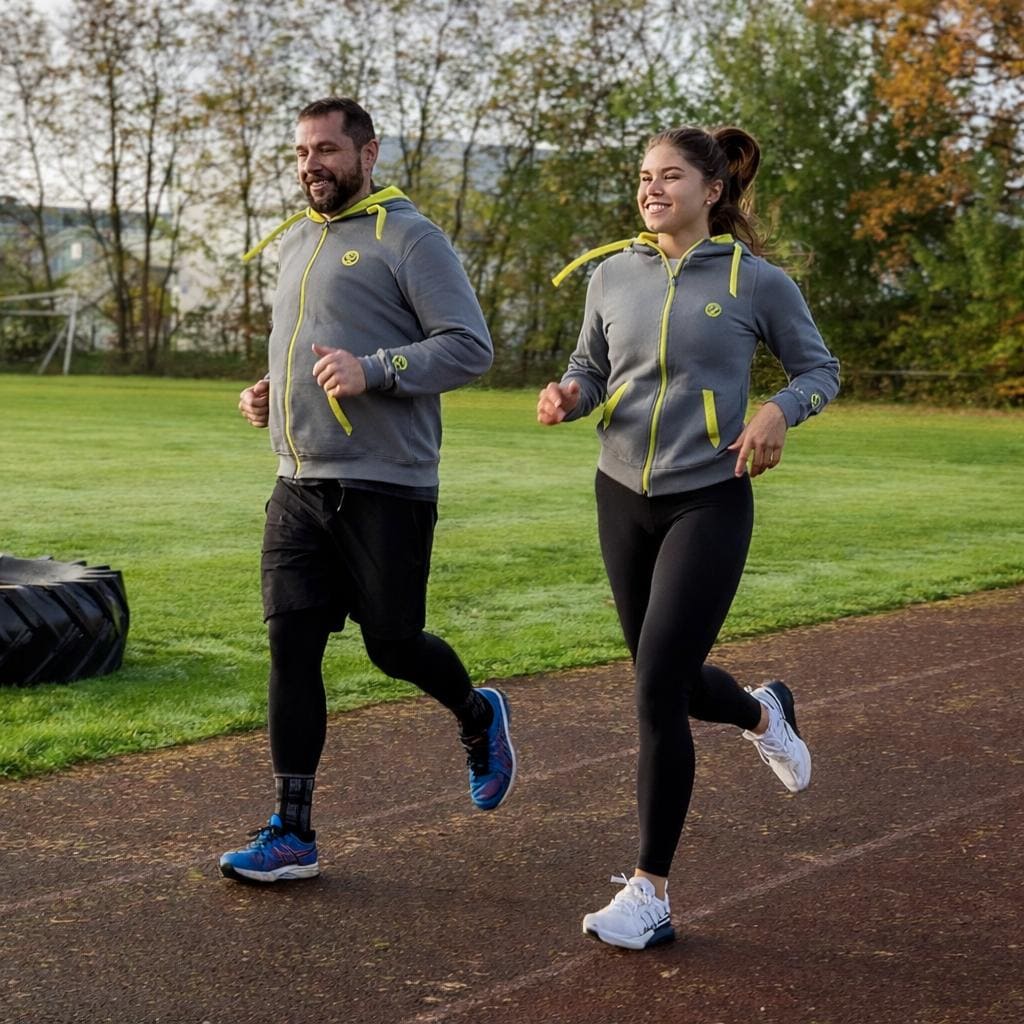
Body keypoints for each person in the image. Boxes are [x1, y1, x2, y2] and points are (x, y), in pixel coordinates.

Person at [537, 125, 840, 949]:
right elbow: (591, 365)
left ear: (712, 190)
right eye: (644, 175)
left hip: (710, 496)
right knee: (661, 676)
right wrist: (571, 393)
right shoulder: (611, 275)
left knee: (655, 690)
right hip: (620, 494)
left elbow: (821, 371)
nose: (652, 188)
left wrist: (779, 410)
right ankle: (760, 712)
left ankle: (651, 893)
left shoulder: (756, 281)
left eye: (670, 176)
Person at [220, 97, 516, 884]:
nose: (310, 164)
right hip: (298, 482)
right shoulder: (297, 242)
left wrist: (376, 370)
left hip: (387, 483)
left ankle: (477, 713)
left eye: (325, 149)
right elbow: (309, 349)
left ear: (368, 153)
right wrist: (270, 395)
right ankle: (293, 832)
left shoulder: (410, 237)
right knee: (291, 647)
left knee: (393, 645)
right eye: (301, 152)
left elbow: (470, 347)